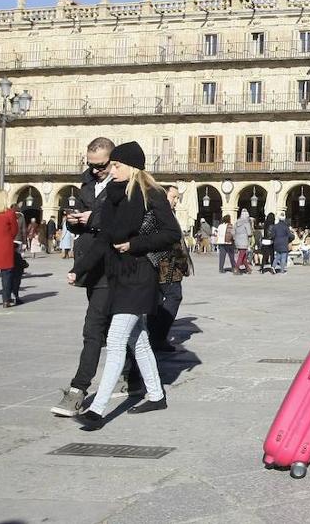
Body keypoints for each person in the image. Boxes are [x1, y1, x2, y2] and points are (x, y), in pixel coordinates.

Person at [70, 141, 179, 430]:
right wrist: (78, 269)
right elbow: (104, 237)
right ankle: (156, 395)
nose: (110, 170)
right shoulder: (115, 196)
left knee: (117, 340)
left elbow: (171, 233)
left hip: (141, 275)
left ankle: (96, 410)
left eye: (116, 165)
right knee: (137, 339)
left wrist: (135, 244)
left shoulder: (151, 194)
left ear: (131, 166)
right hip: (118, 275)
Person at [52, 137, 141, 418]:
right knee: (118, 330)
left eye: (101, 166)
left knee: (93, 327)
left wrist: (94, 220)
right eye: (91, 166)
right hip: (92, 263)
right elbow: (83, 218)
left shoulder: (128, 185)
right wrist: (72, 221)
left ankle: (78, 390)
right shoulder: (87, 183)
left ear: (114, 161)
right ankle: (135, 375)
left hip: (115, 264)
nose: (96, 171)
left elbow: (127, 223)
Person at [148, 182, 188, 353]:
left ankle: (153, 335)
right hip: (166, 263)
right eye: (173, 197)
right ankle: (157, 336)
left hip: (163, 263)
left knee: (155, 300)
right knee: (173, 296)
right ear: (163, 196)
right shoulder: (160, 215)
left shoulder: (158, 213)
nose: (175, 202)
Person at [232, 209, 253, 274]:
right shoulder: (246, 223)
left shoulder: (237, 222)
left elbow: (233, 232)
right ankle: (236, 268)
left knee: (243, 256)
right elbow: (249, 233)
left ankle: (248, 269)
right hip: (244, 241)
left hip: (237, 241)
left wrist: (235, 238)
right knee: (241, 255)